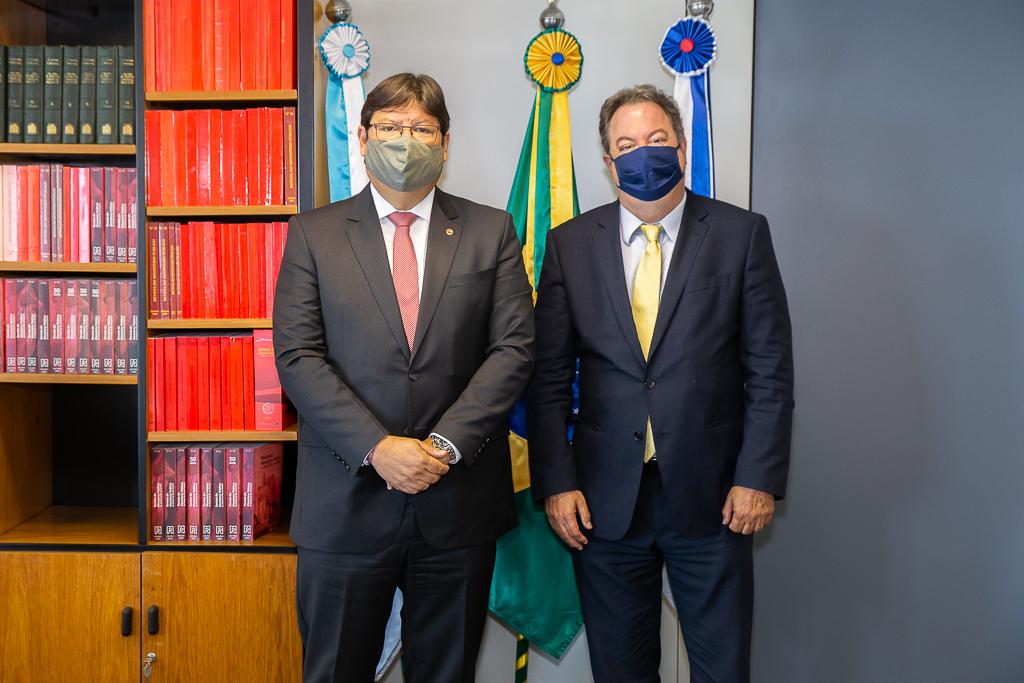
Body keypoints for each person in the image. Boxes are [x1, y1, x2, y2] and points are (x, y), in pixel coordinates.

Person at [527, 84, 794, 682]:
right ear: (608, 162)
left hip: (715, 496)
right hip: (603, 501)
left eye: (655, 139)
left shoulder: (741, 234)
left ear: (681, 148)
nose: (641, 154)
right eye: (626, 146)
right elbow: (547, 379)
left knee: (722, 670)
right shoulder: (570, 244)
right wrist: (557, 483)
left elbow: (770, 370)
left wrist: (758, 476)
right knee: (620, 672)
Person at [274, 73, 534, 683]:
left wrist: (443, 446)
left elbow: (514, 349)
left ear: (445, 143)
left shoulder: (490, 230)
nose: (405, 141)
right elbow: (299, 355)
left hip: (456, 503)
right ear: (363, 138)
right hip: (345, 504)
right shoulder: (313, 234)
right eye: (390, 127)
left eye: (421, 129)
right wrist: (378, 448)